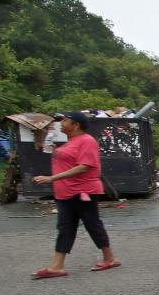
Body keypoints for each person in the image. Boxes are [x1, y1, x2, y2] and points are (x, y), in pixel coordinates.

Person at [32, 111, 121, 279]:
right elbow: (50, 152)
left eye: (65, 120)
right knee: (65, 227)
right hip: (65, 193)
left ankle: (109, 258)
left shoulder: (87, 141)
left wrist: (51, 178)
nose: (61, 123)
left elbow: (84, 166)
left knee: (92, 224)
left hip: (82, 191)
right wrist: (41, 136)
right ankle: (57, 266)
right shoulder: (69, 142)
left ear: (76, 125)